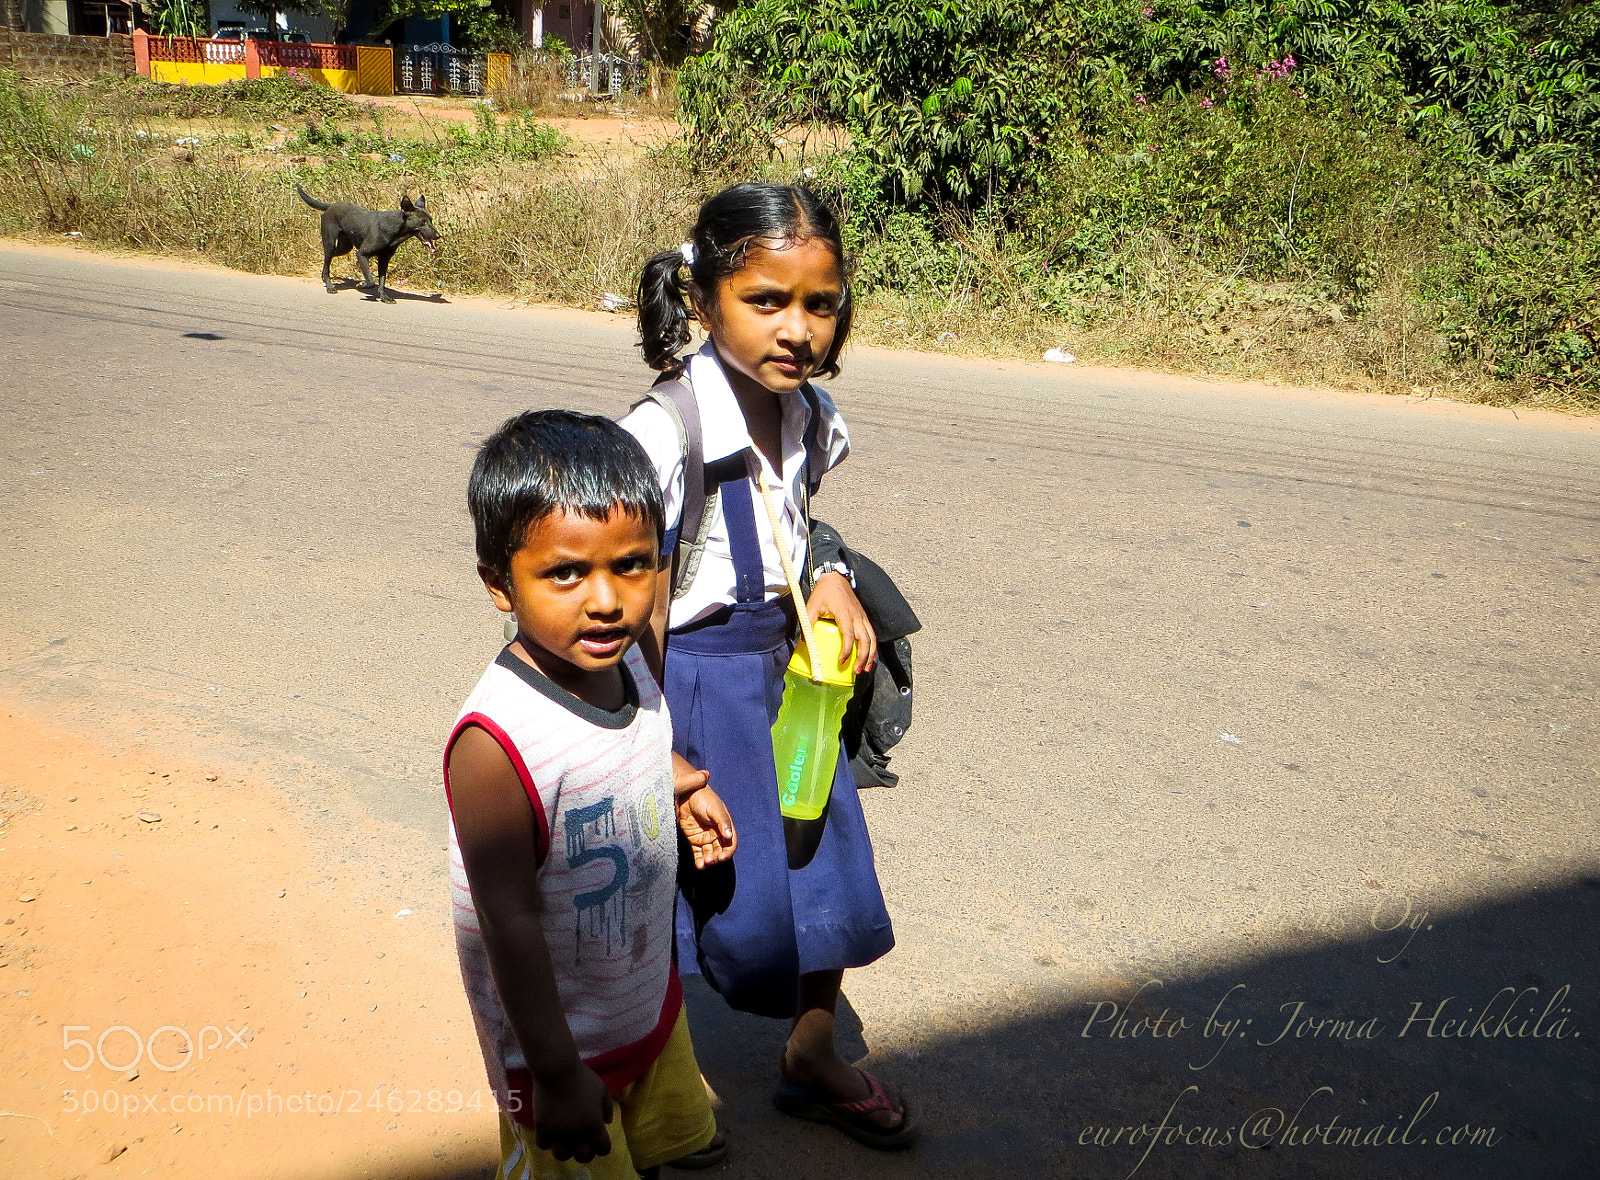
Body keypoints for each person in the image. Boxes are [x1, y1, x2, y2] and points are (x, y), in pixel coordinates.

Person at [620, 183, 919, 1148]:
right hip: (691, 688)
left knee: (825, 875)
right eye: (766, 302)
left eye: (820, 304)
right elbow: (630, 607)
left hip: (786, 681)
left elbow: (794, 522)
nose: (797, 329)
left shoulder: (809, 416)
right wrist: (654, 748)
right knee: (691, 897)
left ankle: (812, 1050)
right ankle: (656, 1091)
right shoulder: (665, 433)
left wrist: (829, 572)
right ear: (705, 301)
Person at [445, 410, 738, 1179]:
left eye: (633, 565)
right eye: (565, 573)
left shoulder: (627, 663)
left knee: (652, 1152)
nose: (607, 600)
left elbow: (627, 741)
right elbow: (502, 923)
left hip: (645, 1005)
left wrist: (671, 784)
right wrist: (553, 1074)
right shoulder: (494, 745)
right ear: (499, 586)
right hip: (562, 1051)